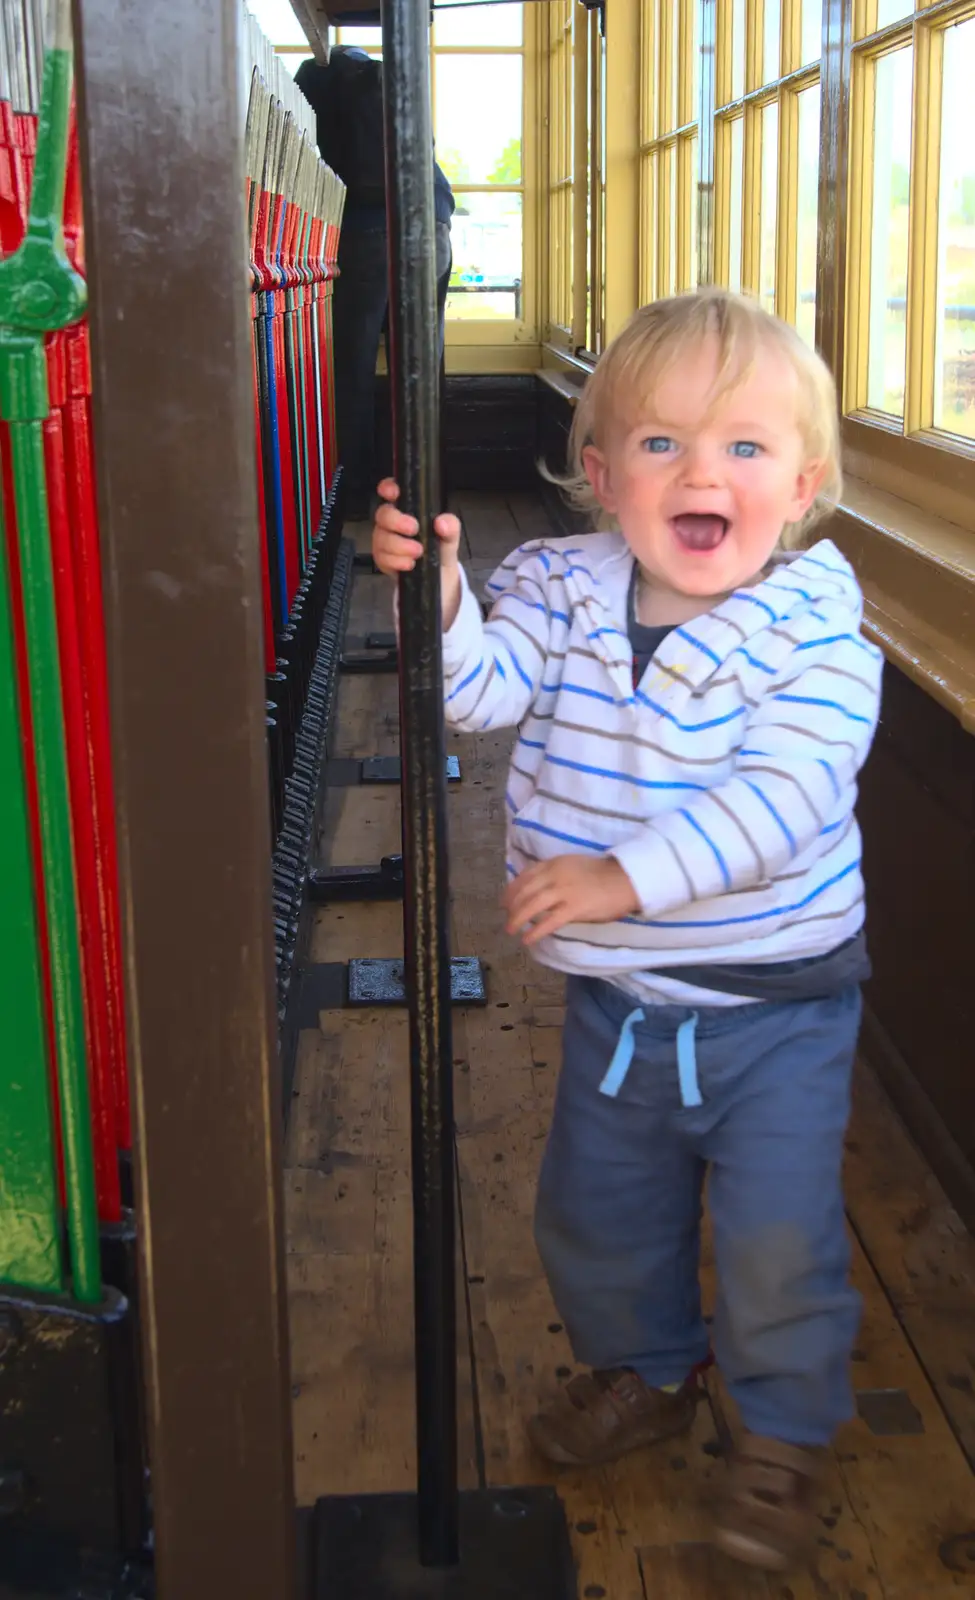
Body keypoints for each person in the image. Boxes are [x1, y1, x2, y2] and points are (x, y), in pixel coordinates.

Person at [370, 287, 884, 1573]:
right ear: (600, 474)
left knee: (776, 1234)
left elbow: (785, 800)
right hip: (617, 1008)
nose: (703, 473)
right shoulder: (557, 584)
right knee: (595, 1214)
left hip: (778, 1002)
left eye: (746, 449)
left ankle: (778, 1430)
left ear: (806, 482)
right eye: (662, 444)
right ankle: (649, 1368)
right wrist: (438, 598)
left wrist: (621, 875)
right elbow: (482, 698)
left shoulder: (819, 636)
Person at [295, 46, 454, 521]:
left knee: (353, 370)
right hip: (432, 225)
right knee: (421, 366)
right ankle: (424, 492)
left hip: (362, 230)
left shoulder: (316, 79)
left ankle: (354, 496)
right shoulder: (390, 80)